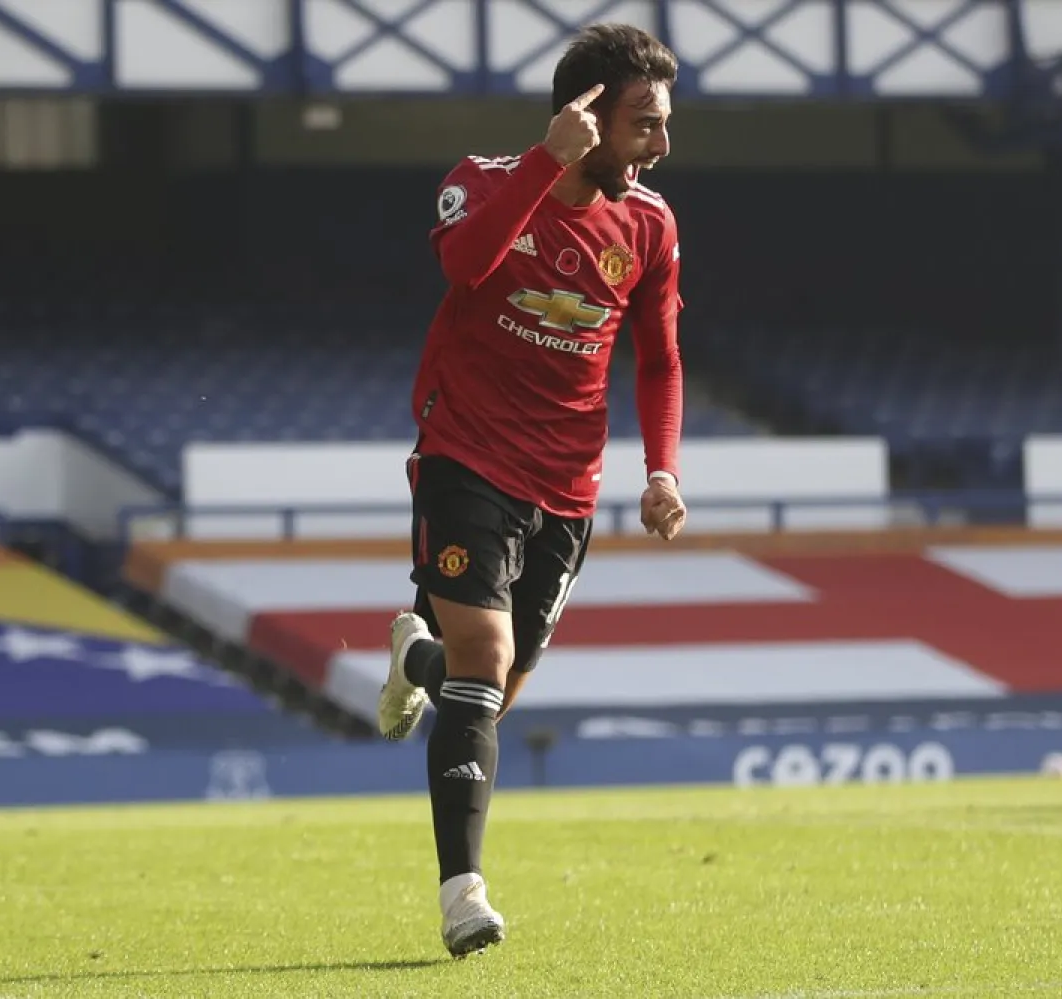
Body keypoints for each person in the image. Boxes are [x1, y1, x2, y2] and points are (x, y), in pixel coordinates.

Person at [374, 23, 688, 959]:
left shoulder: (652, 225)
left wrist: (661, 469)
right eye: (644, 124)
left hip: (568, 486)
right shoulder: (482, 176)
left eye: (667, 125)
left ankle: (412, 658)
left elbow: (661, 355)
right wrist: (544, 167)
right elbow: (466, 263)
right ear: (584, 115)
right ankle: (462, 894)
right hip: (466, 453)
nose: (661, 145)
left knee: (489, 693)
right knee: (485, 651)